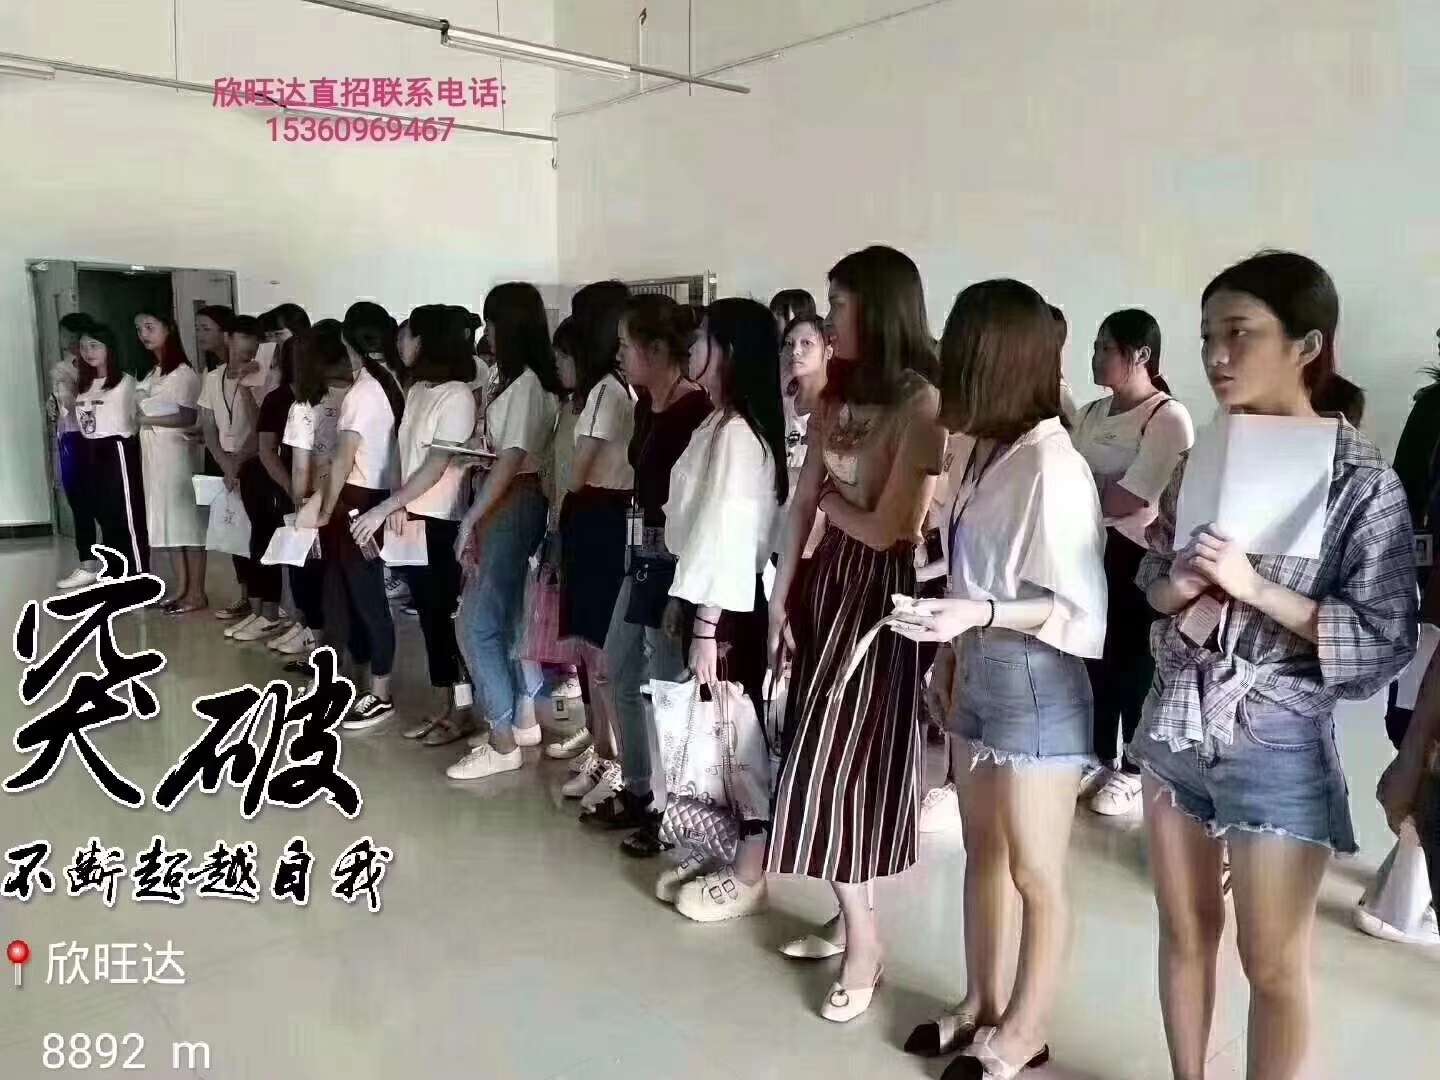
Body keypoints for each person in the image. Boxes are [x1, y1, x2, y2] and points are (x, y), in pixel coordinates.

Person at [1131, 251, 1416, 1080]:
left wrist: (1256, 589)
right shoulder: (1204, 456)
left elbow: (1382, 640)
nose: (1216, 356)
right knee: (1184, 931)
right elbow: (1153, 578)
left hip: (1278, 737)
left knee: (1274, 965)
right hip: (1176, 715)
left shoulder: (1363, 484)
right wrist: (1179, 584)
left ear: (1307, 344)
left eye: (1239, 334)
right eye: (1206, 337)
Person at [894, 280, 1106, 1078]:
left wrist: (975, 615)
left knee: (1035, 871)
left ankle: (1025, 1028)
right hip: (978, 667)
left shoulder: (1054, 464)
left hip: (1036, 682)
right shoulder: (985, 449)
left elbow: (1077, 606)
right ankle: (981, 1002)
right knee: (983, 852)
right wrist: (950, 652)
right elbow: (964, 566)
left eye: (961, 350)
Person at [765, 245, 944, 1021]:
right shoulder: (837, 393)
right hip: (828, 581)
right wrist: (782, 596)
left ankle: (865, 943)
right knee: (826, 751)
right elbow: (802, 500)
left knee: (834, 760)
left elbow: (891, 527)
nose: (829, 316)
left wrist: (833, 509)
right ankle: (851, 916)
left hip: (882, 597)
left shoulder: (922, 404)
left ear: (878, 307)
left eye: (839, 302)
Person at [660, 297, 788, 923]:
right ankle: (721, 846)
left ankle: (751, 870)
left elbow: (727, 535)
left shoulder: (739, 433)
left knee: (738, 739)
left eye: (702, 338)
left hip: (729, 605)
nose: (690, 348)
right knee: (713, 734)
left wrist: (707, 626)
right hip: (711, 598)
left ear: (729, 350)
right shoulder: (722, 422)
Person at [579, 294, 710, 848]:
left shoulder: (695, 411)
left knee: (666, 688)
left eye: (627, 345)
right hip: (642, 556)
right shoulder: (645, 405)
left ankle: (672, 808)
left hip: (675, 563)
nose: (620, 355)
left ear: (656, 349)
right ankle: (639, 790)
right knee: (616, 667)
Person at [1069, 309, 1195, 816]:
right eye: (1095, 347)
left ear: (1140, 354)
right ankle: (1097, 755)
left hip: (1139, 555)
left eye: (1106, 348)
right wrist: (1093, 489)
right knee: (1093, 656)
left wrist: (1087, 489)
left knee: (1135, 663)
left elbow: (1131, 498)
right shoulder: (1092, 413)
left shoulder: (1166, 417)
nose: (1095, 357)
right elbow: (1063, 477)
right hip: (1087, 549)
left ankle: (1134, 769)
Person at [446, 283, 562, 781]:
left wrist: (472, 518)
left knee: (476, 622)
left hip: (512, 499)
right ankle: (521, 719)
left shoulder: (528, 385)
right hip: (507, 495)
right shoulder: (513, 380)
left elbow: (512, 459)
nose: (487, 333)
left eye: (491, 323)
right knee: (509, 615)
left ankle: (501, 738)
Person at [350, 306, 478, 744]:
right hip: (412, 515)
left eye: (408, 335)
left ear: (427, 341)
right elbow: (405, 453)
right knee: (428, 617)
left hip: (441, 519)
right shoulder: (419, 388)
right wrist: (398, 502)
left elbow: (437, 465)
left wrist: (388, 505)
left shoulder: (457, 395)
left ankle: (462, 711)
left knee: (443, 617)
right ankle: (445, 706)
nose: (400, 343)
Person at [552, 290, 635, 779]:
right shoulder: (609, 388)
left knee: (600, 646)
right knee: (592, 644)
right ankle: (604, 748)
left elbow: (579, 471)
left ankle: (612, 757)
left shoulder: (607, 390)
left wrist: (561, 510)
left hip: (599, 516)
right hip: (599, 514)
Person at [317, 302, 405, 729]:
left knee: (366, 597)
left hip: (357, 500)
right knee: (351, 592)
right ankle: (357, 677)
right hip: (374, 494)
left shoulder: (364, 391)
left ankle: (380, 692)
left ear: (346, 340)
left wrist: (323, 509)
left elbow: (343, 459)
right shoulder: (391, 381)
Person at [283, 320, 354, 665]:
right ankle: (355, 659)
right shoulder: (359, 394)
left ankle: (326, 655)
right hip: (356, 497)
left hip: (319, 501)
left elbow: (300, 467)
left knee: (318, 581)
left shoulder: (304, 406)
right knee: (348, 583)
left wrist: (300, 506)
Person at [134, 308, 207, 613]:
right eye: (139, 329)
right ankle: (181, 589)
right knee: (168, 525)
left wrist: (146, 419)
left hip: (177, 455)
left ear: (169, 329)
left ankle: (197, 593)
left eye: (150, 326)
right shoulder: (153, 372)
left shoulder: (183, 374)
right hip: (154, 456)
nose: (143, 334)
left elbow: (187, 416)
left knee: (187, 525)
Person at [232, 336, 302, 643]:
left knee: (303, 558)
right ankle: (267, 612)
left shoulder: (323, 396)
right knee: (263, 541)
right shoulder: (278, 396)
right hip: (274, 481)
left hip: (306, 485)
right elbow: (265, 445)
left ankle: (299, 620)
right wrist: (289, 486)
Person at [198, 315, 262, 627]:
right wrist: (224, 463)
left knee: (256, 532)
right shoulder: (213, 378)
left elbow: (261, 427)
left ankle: (264, 603)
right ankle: (245, 595)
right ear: (229, 339)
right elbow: (208, 425)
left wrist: (237, 462)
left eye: (253, 340)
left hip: (254, 460)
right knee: (234, 531)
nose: (247, 346)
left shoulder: (260, 376)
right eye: (241, 337)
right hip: (225, 460)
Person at [73, 323, 148, 574]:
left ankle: (137, 573)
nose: (88, 352)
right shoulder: (85, 384)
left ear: (109, 348)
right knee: (104, 514)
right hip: (89, 448)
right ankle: (116, 571)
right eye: (83, 347)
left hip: (117, 449)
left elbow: (139, 417)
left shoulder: (126, 382)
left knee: (126, 514)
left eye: (94, 346)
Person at [52, 312, 102, 589]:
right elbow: (61, 406)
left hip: (91, 437)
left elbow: (83, 402)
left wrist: (70, 389)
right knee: (78, 502)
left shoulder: (93, 367)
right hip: (68, 436)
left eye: (66, 333)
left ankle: (111, 560)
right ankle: (87, 563)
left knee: (100, 502)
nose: (63, 339)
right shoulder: (62, 367)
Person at [195, 305, 234, 372]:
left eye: (206, 329)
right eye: (197, 329)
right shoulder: (210, 366)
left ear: (225, 331)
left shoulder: (241, 366)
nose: (199, 334)